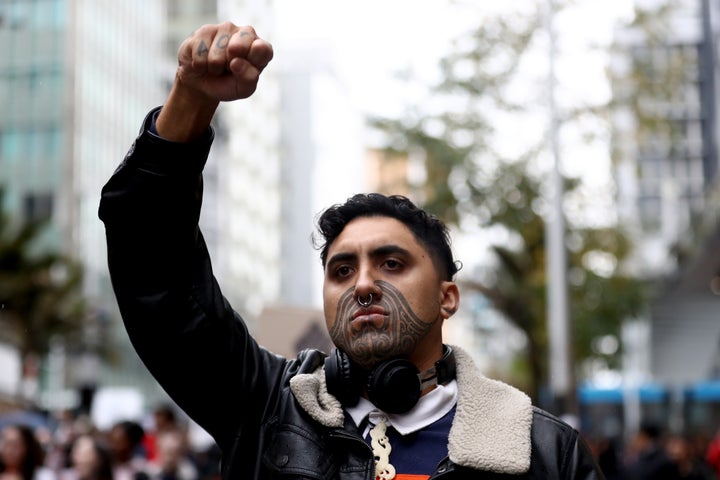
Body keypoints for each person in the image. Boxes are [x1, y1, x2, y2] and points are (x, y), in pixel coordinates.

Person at [98, 21, 604, 479]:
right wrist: (190, 100)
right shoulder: (267, 405)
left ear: (448, 297)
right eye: (341, 270)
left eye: (391, 263)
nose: (362, 284)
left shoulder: (544, 452)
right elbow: (155, 270)